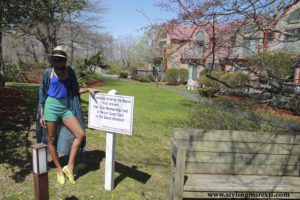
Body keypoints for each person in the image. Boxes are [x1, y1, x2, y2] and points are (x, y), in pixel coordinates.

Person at [36, 46, 98, 185]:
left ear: (65, 60)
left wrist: (88, 89)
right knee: (51, 139)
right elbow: (42, 94)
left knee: (80, 134)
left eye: (60, 60)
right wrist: (41, 113)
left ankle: (69, 167)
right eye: (55, 60)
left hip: (64, 108)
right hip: (50, 107)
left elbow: (75, 90)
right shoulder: (48, 73)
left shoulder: (70, 72)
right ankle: (59, 169)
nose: (57, 62)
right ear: (52, 60)